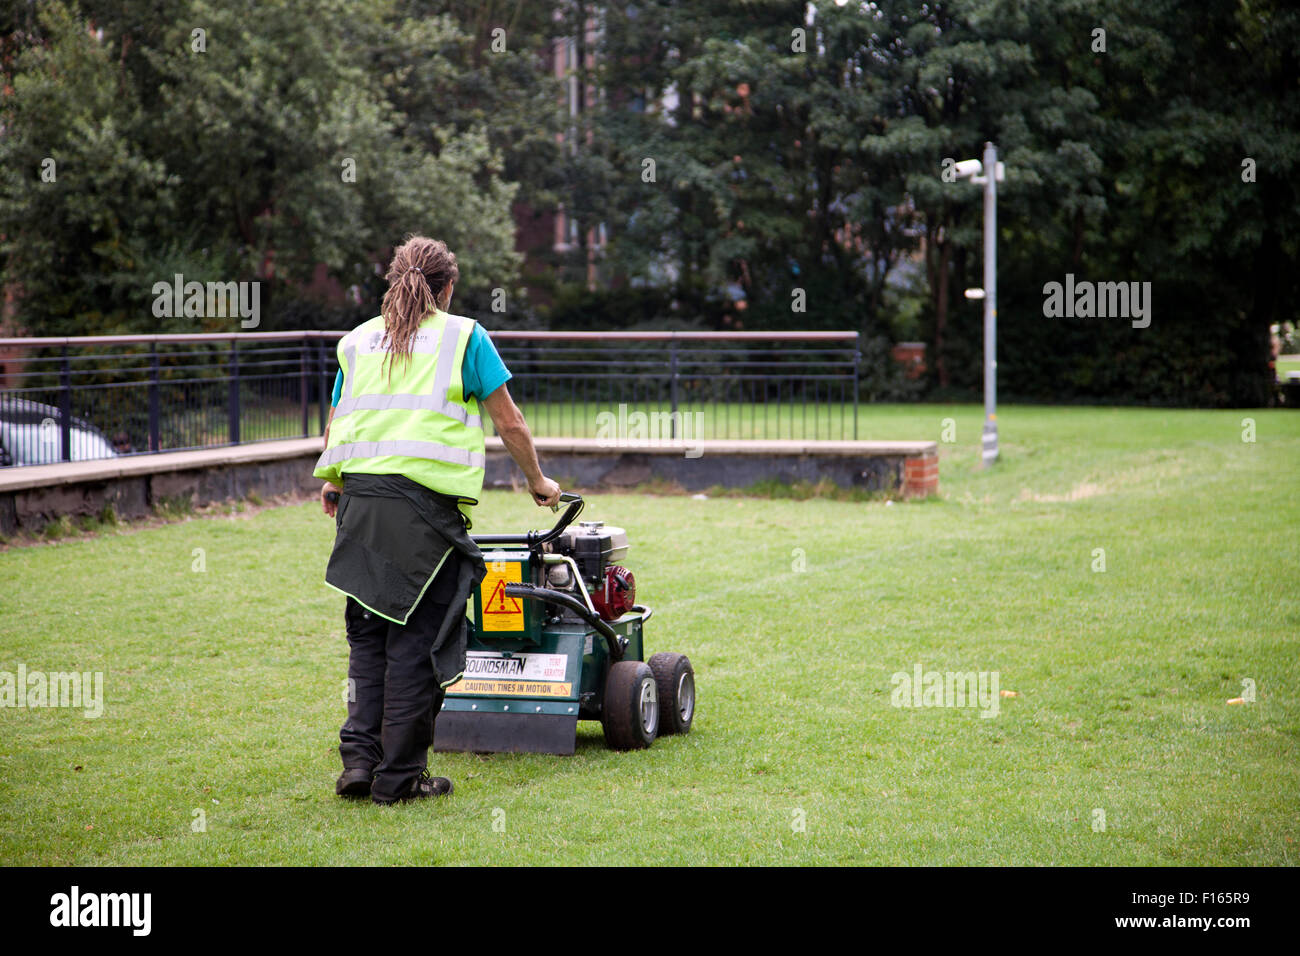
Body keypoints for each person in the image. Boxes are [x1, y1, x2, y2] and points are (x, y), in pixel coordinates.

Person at [314, 236, 561, 805]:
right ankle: (399, 780)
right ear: (447, 288)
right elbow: (511, 422)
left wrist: (335, 482)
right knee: (414, 644)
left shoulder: (356, 341)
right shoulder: (463, 336)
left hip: (360, 506)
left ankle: (359, 764)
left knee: (368, 638)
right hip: (420, 513)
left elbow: (342, 420)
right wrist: (537, 481)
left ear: (394, 280)